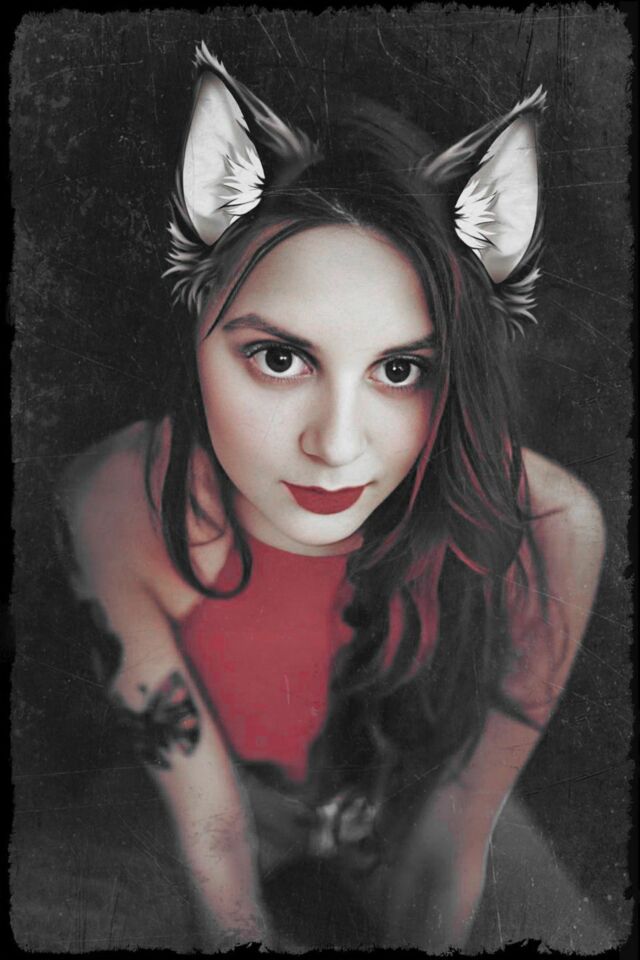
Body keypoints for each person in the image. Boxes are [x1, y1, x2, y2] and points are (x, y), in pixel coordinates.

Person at [57, 43, 605, 951]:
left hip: (408, 795)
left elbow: (454, 834)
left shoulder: (548, 529)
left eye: (401, 369)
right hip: (187, 805)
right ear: (198, 321)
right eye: (280, 358)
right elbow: (213, 838)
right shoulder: (121, 503)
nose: (336, 445)